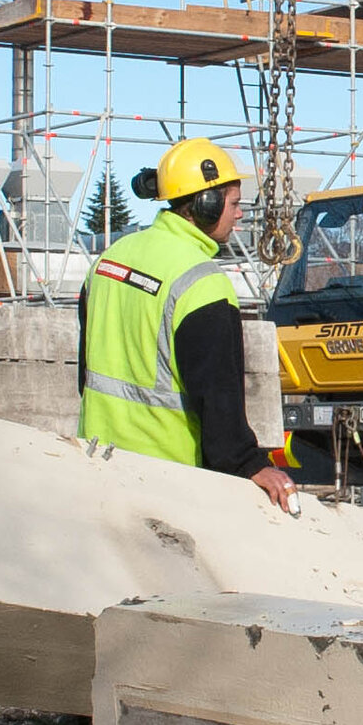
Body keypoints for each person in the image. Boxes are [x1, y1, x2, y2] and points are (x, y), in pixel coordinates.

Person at [78, 138, 297, 509]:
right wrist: (249, 464)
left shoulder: (109, 260)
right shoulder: (202, 283)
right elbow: (218, 398)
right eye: (234, 204)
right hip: (167, 479)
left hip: (95, 461)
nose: (240, 215)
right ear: (205, 204)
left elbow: (86, 370)